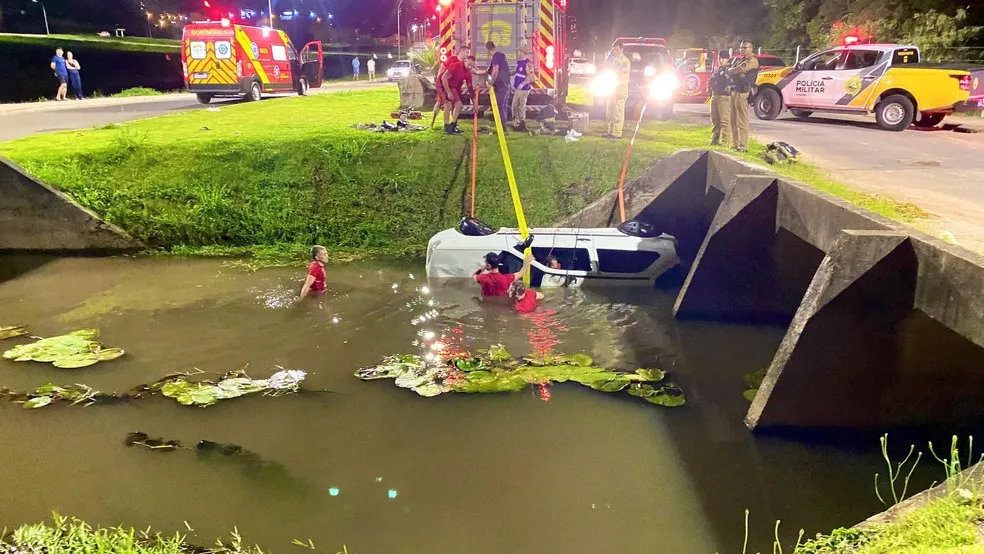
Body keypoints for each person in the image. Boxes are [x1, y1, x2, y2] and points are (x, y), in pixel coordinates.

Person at [728, 41, 759, 153]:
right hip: (735, 90)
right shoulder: (740, 60)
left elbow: (737, 70)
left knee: (742, 121)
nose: (742, 50)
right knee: (733, 120)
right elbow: (732, 70)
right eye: (741, 48)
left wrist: (733, 71)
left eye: (745, 48)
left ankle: (743, 146)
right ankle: (735, 144)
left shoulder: (752, 61)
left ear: (751, 48)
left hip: (743, 92)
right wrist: (732, 71)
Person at [602, 40, 631, 139]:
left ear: (621, 49)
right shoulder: (614, 61)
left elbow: (624, 78)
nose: (615, 52)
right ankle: (610, 131)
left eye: (617, 49)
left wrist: (618, 89)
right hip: (612, 90)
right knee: (609, 112)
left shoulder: (625, 61)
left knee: (618, 113)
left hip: (620, 91)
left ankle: (617, 133)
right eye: (613, 50)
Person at [441, 55, 476, 135]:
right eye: (469, 64)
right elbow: (444, 77)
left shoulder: (468, 73)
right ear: (465, 60)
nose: (470, 67)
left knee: (457, 106)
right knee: (449, 105)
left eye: (472, 66)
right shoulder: (456, 65)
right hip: (445, 85)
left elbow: (470, 89)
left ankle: (452, 126)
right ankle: (447, 127)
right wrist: (448, 91)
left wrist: (475, 104)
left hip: (454, 89)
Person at [708, 51, 732, 147]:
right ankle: (714, 139)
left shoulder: (729, 70)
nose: (721, 60)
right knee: (715, 120)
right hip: (715, 95)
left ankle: (725, 141)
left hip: (724, 97)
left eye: (723, 58)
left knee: (724, 121)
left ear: (727, 59)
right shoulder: (718, 69)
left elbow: (729, 83)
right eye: (720, 58)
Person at [486, 41, 511, 125]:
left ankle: (502, 127)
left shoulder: (496, 57)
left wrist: (491, 82)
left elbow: (495, 70)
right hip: (506, 83)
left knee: (500, 105)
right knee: (504, 105)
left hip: (501, 85)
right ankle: (502, 125)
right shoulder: (502, 55)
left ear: (489, 50)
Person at [511, 49, 534, 131]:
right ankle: (517, 123)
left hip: (523, 89)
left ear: (523, 53)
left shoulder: (527, 63)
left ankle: (521, 123)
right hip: (518, 88)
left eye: (519, 52)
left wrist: (522, 84)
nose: (517, 53)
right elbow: (515, 73)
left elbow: (530, 76)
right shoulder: (519, 62)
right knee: (515, 106)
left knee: (519, 106)